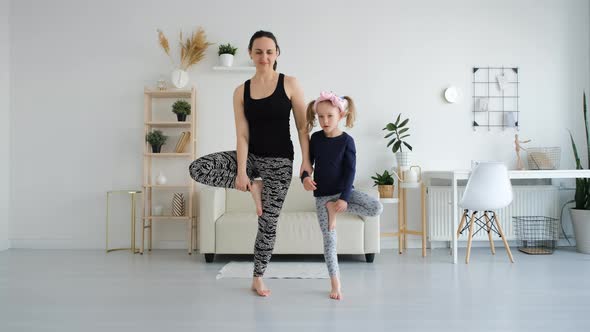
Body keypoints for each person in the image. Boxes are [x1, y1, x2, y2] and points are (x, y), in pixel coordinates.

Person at [189, 31, 311, 297]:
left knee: (268, 223)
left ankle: (257, 277)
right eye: (258, 52)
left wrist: (306, 162)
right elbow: (242, 135)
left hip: (280, 162)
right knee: (198, 167)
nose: (264, 57)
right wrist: (242, 172)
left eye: (269, 51)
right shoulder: (240, 91)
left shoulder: (289, 84)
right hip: (252, 157)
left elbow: (303, 127)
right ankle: (252, 187)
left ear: (277, 53)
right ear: (250, 54)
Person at [301, 91, 383, 300]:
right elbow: (307, 165)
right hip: (322, 198)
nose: (324, 121)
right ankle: (335, 284)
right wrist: (304, 178)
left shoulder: (347, 141)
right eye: (320, 116)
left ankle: (335, 208)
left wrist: (344, 199)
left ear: (341, 115)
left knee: (376, 207)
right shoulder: (316, 139)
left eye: (329, 116)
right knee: (330, 242)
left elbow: (350, 172)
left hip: (344, 192)